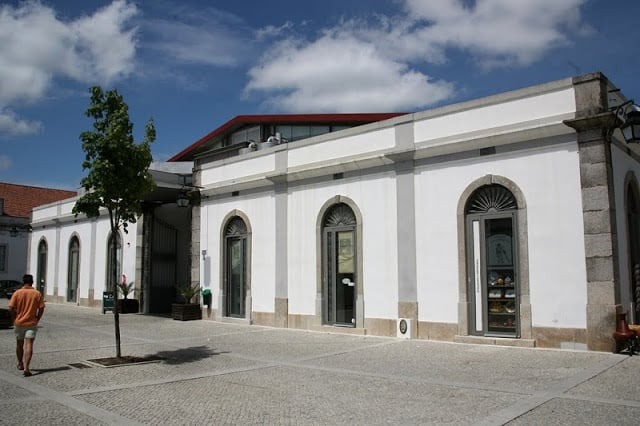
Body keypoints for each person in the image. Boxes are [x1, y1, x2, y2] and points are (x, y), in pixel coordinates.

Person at [8, 274, 45, 377]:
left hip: (19, 322)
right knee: (29, 345)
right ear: (32, 282)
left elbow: (11, 307)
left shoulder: (17, 293)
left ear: (23, 282)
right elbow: (41, 308)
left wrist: (14, 318)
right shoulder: (37, 294)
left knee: (19, 344)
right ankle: (26, 368)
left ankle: (20, 363)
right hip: (31, 323)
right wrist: (37, 318)